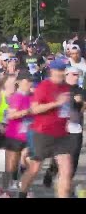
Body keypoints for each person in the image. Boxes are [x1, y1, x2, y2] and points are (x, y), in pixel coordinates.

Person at [18, 60, 71, 198]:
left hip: (61, 135)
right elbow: (34, 109)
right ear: (52, 71)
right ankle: (22, 194)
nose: (61, 73)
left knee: (66, 170)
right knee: (34, 169)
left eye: (63, 70)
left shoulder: (66, 87)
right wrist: (56, 103)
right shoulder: (44, 86)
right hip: (42, 133)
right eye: (59, 70)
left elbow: (65, 109)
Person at [43, 66, 85, 195]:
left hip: (75, 131)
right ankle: (52, 173)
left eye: (77, 75)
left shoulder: (81, 90)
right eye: (72, 74)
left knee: (73, 163)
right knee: (60, 162)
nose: (75, 77)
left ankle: (66, 186)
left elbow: (82, 104)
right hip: (60, 130)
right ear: (65, 75)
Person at [0, 71, 34, 198]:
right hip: (14, 136)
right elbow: (11, 115)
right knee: (10, 166)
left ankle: (24, 189)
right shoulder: (16, 97)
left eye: (31, 81)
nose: (30, 83)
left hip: (28, 136)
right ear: (19, 82)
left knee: (29, 163)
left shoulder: (32, 96)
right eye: (27, 81)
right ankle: (3, 189)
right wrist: (27, 111)